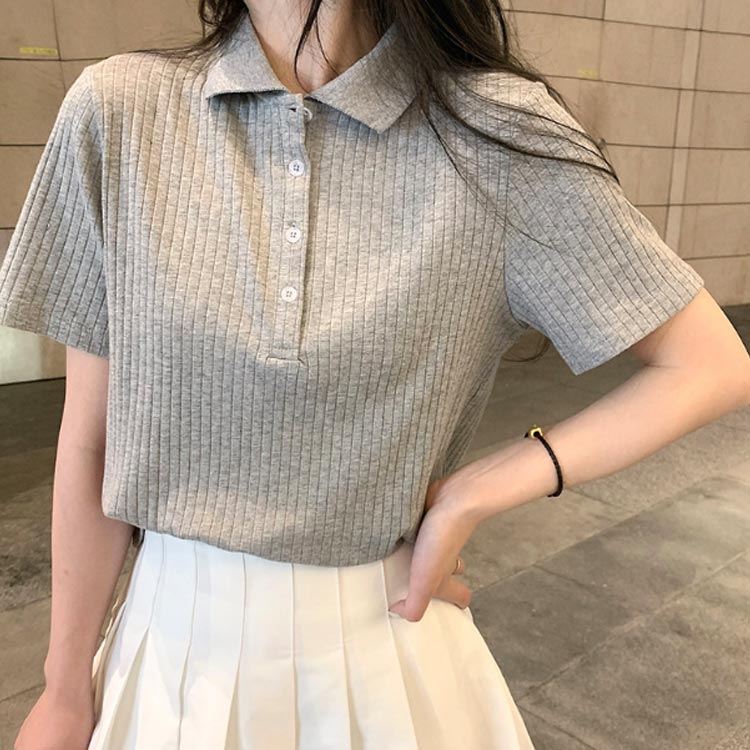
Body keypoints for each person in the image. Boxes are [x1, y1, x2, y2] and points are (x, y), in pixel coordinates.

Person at [4, 1, 750, 748]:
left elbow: (709, 364)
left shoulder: (495, 132)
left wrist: (476, 490)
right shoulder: (120, 111)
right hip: (164, 658)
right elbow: (93, 443)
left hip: (386, 661)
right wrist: (65, 689)